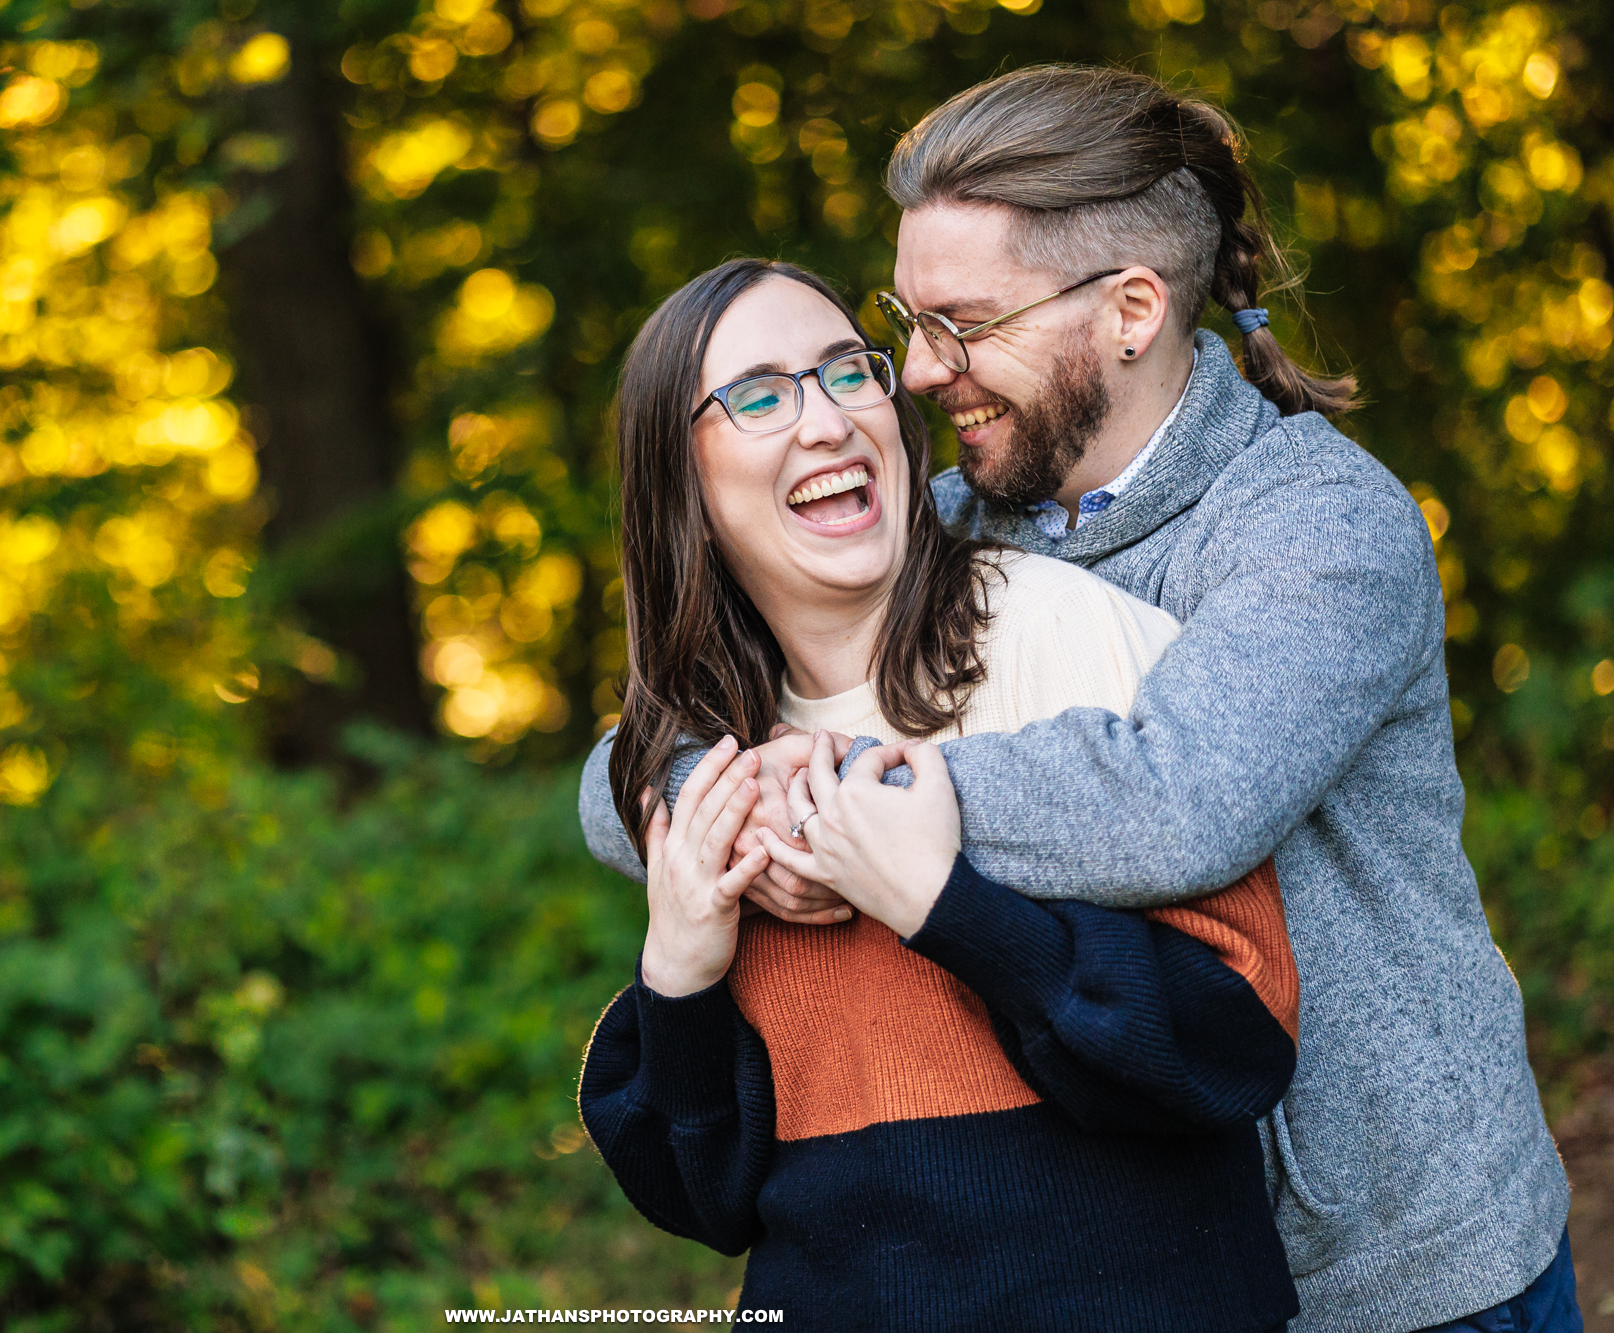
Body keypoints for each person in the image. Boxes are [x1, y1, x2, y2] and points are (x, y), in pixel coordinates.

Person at [578, 66, 1581, 1333]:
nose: (920, 373)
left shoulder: (1315, 527)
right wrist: (716, 798)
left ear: (1128, 309)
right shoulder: (940, 528)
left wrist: (852, 803)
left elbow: (1175, 796)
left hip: (1391, 1266)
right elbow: (627, 768)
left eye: (963, 322)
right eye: (906, 320)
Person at [580, 255, 1303, 1330]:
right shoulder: (715, 763)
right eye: (761, 395)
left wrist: (945, 907)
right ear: (676, 478)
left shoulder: (1067, 634)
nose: (824, 422)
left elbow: (1230, 1047)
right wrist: (679, 969)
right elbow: (703, 1195)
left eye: (844, 374)